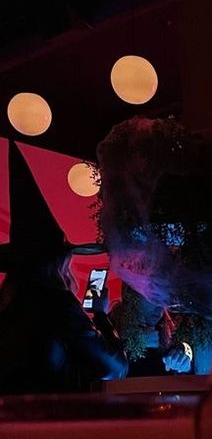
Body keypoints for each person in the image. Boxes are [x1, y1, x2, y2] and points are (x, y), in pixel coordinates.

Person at [0, 141, 127, 394]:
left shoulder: (9, 307)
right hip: (49, 423)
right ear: (58, 263)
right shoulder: (56, 303)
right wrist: (101, 315)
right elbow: (115, 369)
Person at [109, 283, 194, 377]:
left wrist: (184, 367)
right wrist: (135, 345)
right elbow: (102, 374)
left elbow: (176, 375)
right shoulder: (107, 326)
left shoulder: (164, 330)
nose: (161, 307)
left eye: (164, 301)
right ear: (133, 296)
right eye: (155, 298)